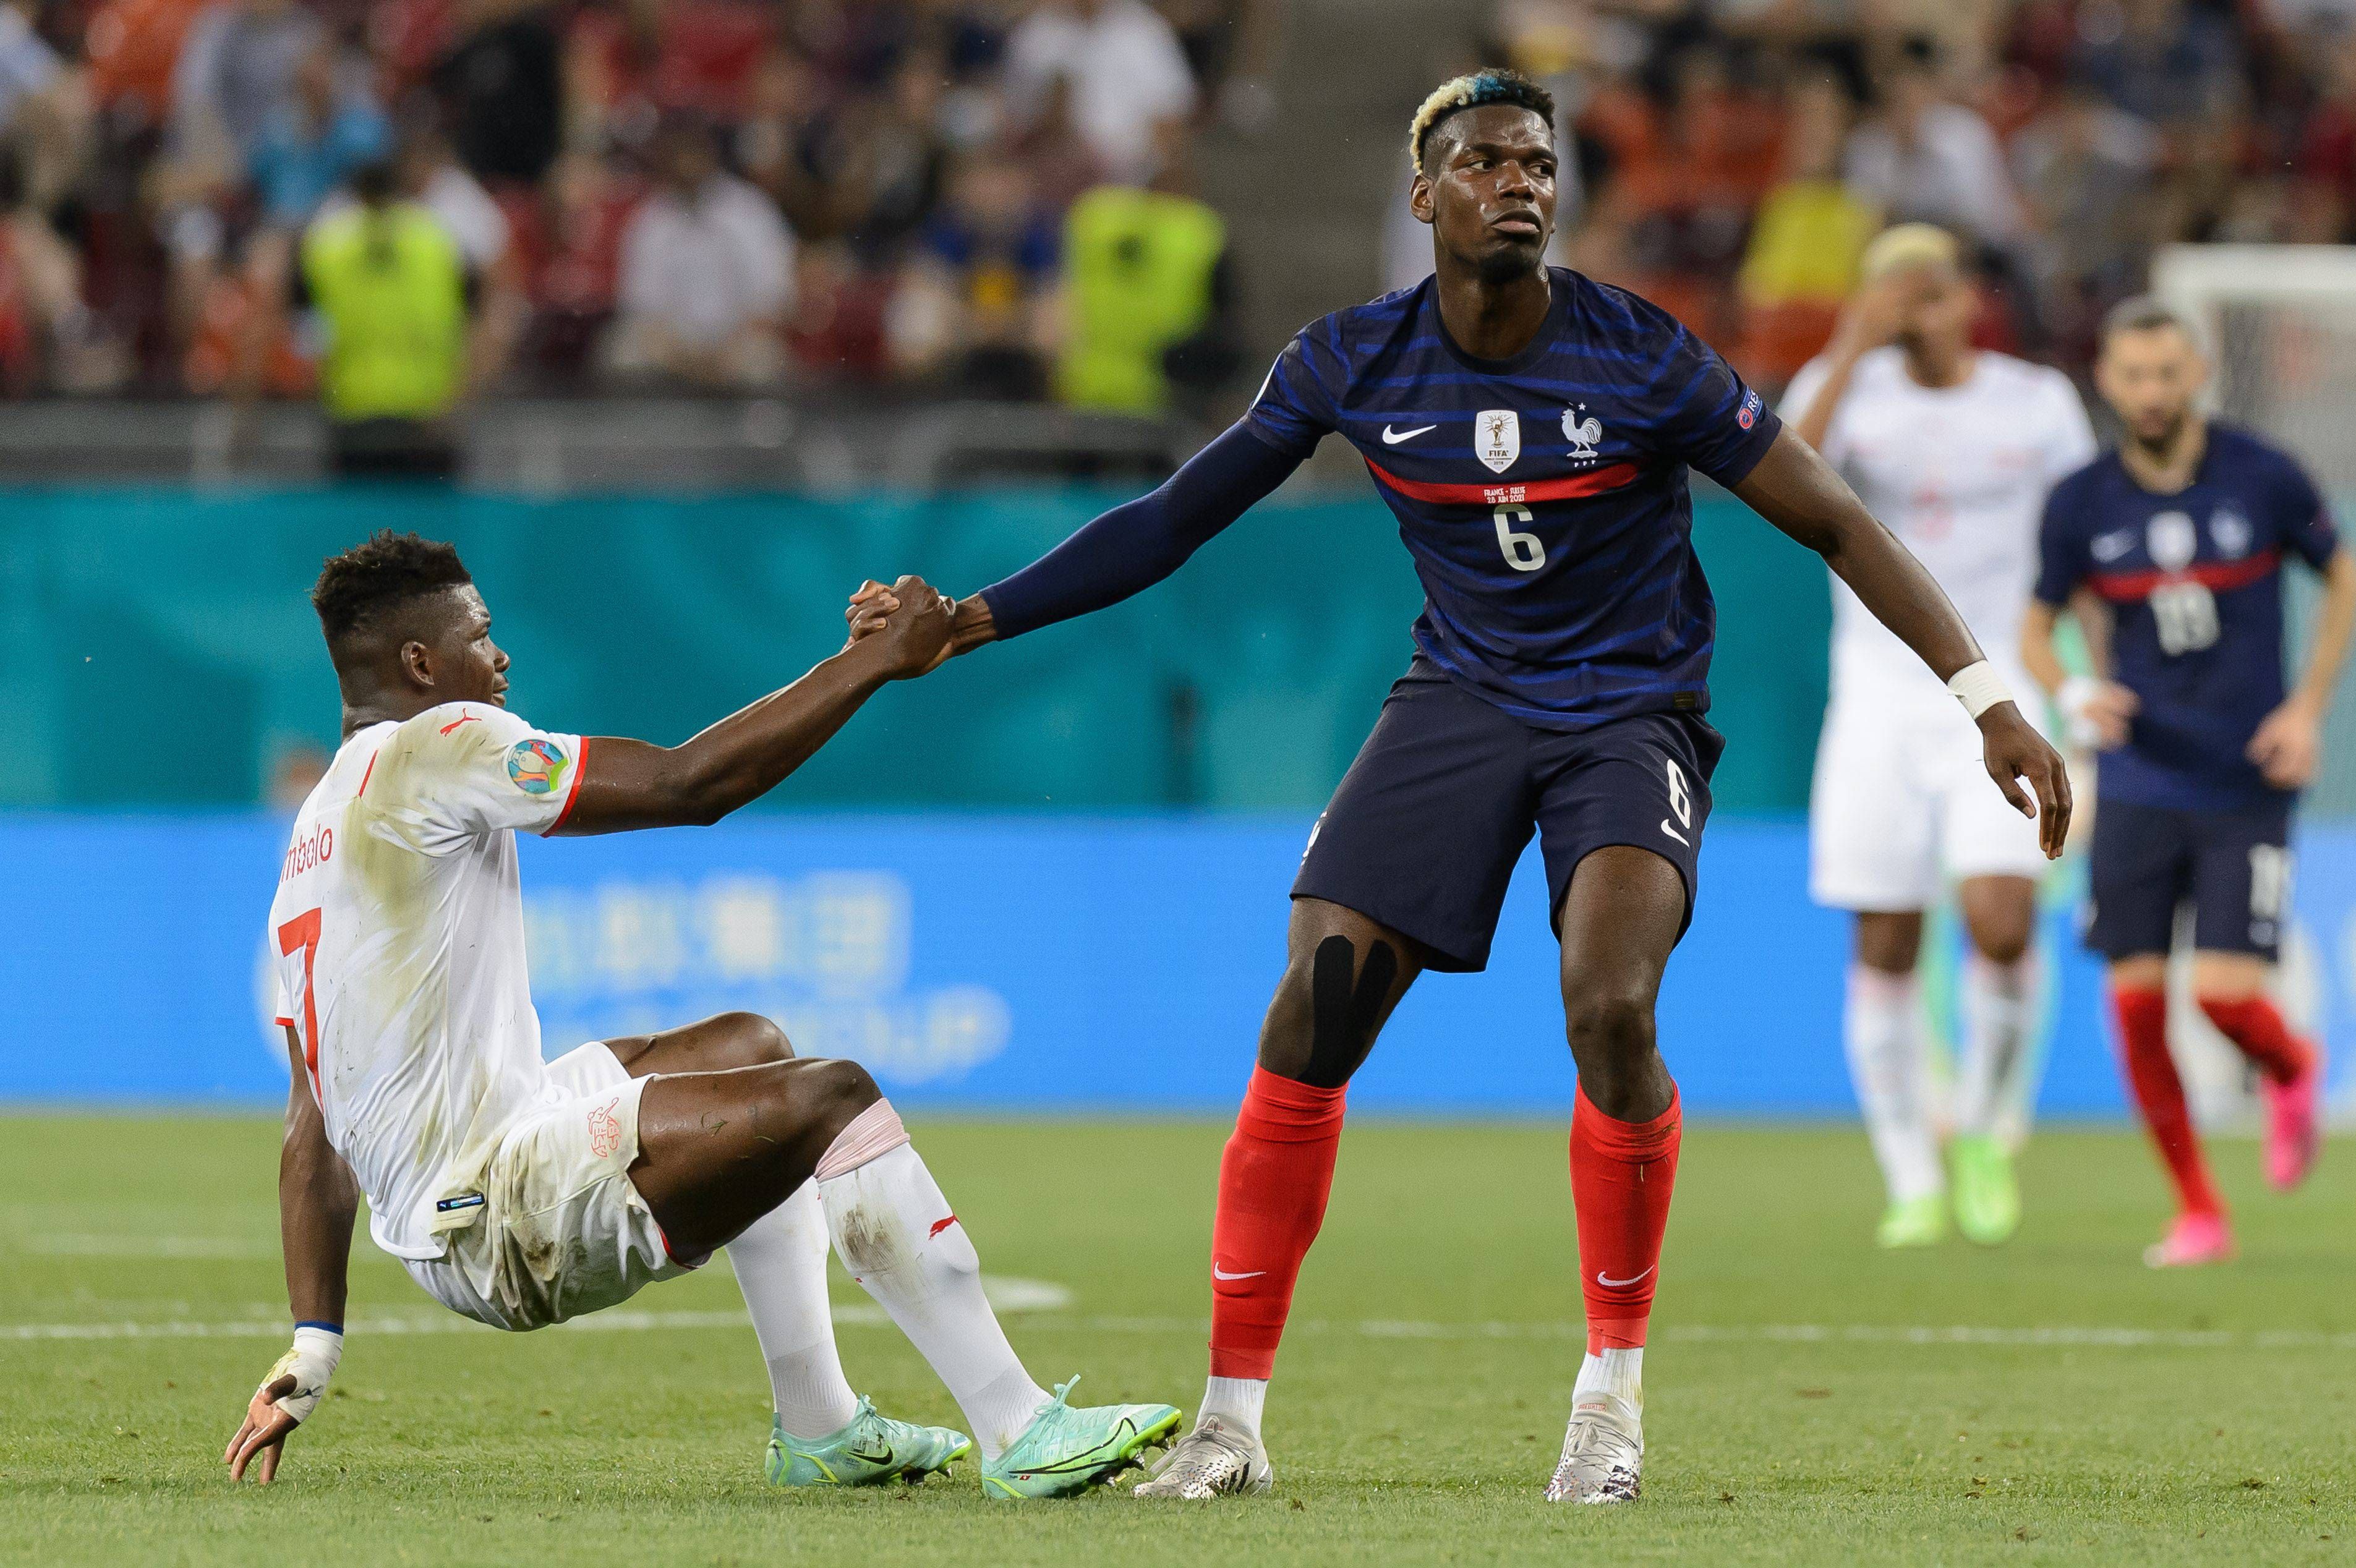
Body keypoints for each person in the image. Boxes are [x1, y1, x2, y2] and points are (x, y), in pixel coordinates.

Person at [847, 69, 2069, 1505]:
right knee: (1313, 1006)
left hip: (1630, 713)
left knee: (1610, 1004)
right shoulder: (1352, 359)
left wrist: (1988, 698)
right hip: (1462, 702)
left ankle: (1608, 1399)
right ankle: (1231, 1421)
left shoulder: (1642, 355)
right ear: (1424, 196)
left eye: (1538, 164)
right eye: (1486, 162)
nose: (1519, 184)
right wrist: (972, 619)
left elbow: (1840, 521)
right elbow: (1175, 517)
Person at [227, 532, 1179, 1498]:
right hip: (496, 1212)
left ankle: (818, 1425)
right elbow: (691, 783)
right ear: (421, 664)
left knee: (749, 1049)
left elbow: (312, 1126)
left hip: (455, 1200)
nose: (500, 655)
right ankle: (1019, 1426)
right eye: (479, 635)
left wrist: (315, 1344)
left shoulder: (315, 833)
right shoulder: (441, 745)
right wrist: (875, 665)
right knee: (833, 1098)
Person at [2023, 299, 2356, 1267]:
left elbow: (2340, 576)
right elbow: (2035, 629)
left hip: (2245, 777)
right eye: (2133, 376)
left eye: (2167, 374)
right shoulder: (2080, 500)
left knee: (2219, 998)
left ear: (2198, 372)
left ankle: (2290, 1065)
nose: (2152, 393)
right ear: (2107, 382)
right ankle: (2198, 1211)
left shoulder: (2262, 474)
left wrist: (2304, 710)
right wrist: (2075, 693)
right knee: (2134, 1005)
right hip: (2136, 778)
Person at [1785, 223, 2098, 1251]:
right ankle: (1910, 1174)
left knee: (2002, 921)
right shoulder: (1844, 392)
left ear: (1967, 298)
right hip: (1877, 698)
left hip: (2002, 694)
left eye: (1930, 289)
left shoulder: (2035, 402)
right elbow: (1783, 482)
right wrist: (1848, 345)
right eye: (1892, 291)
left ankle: (1985, 1130)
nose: (1914, 308)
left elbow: (2081, 548)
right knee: (1884, 939)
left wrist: (2087, 681)